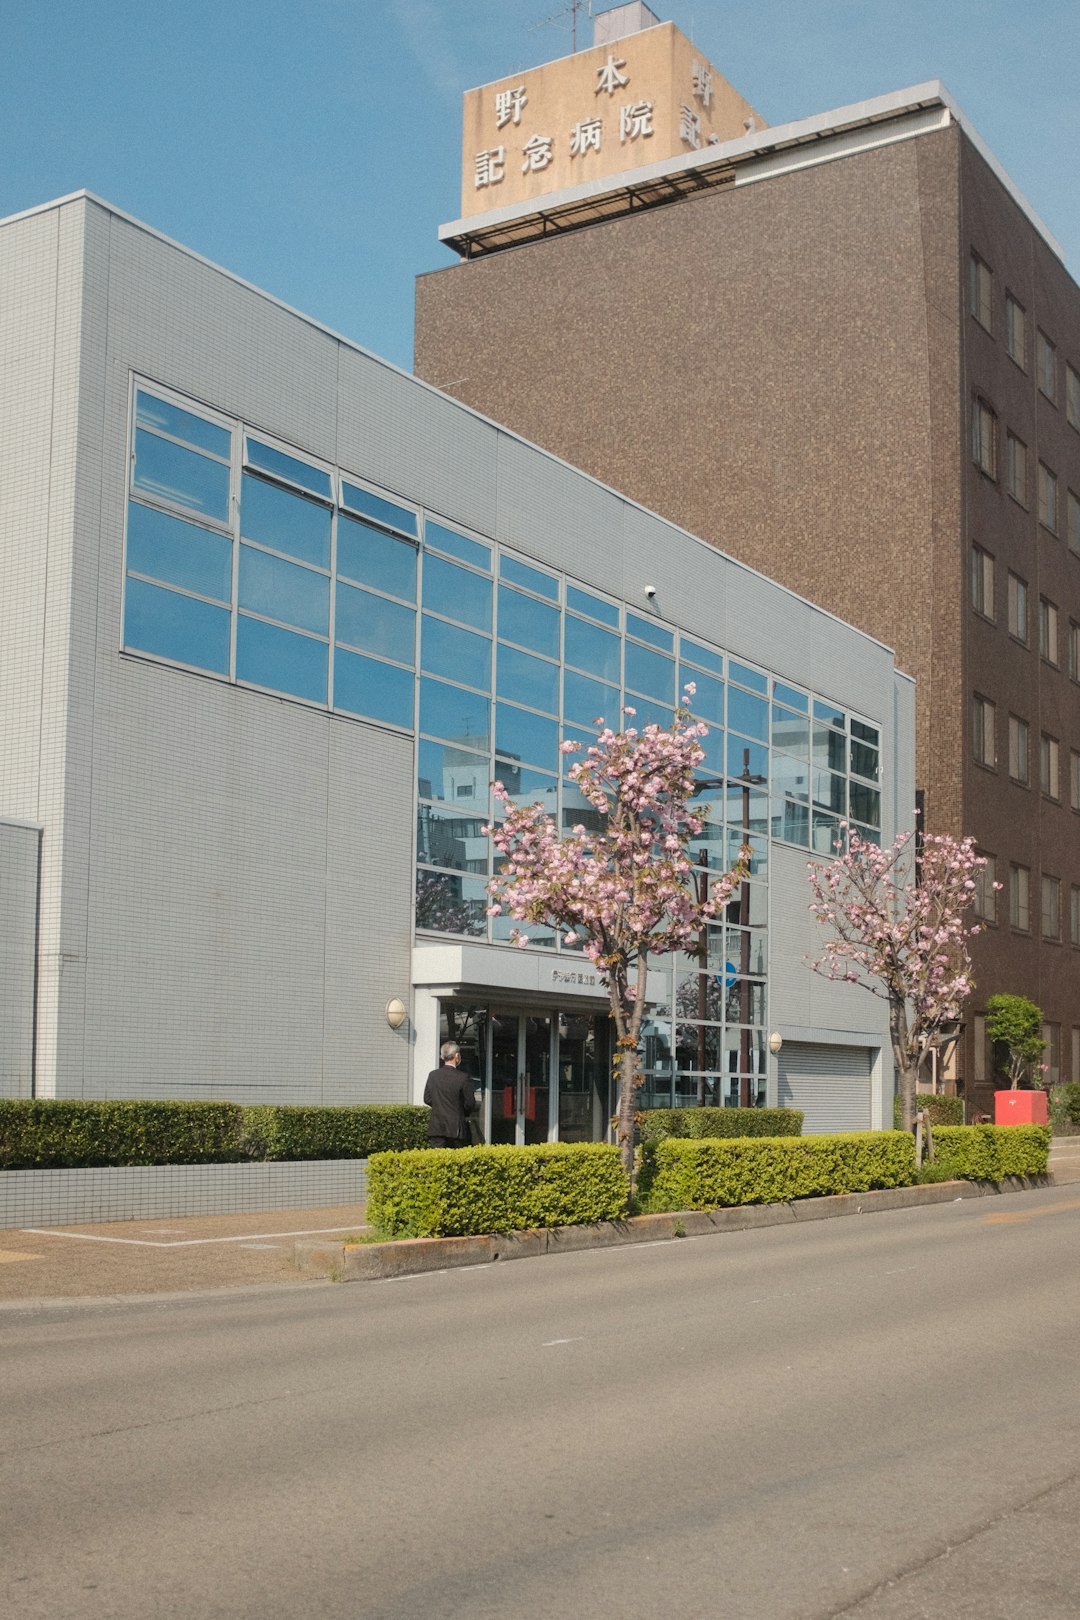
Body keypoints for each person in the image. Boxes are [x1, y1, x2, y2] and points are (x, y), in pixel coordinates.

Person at [423, 1041, 479, 1149]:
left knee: (437, 1161)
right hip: (456, 1128)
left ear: (442, 1056)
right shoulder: (463, 1077)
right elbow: (470, 1103)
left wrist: (439, 1106)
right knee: (455, 1161)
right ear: (457, 1056)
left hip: (436, 1127)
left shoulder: (433, 1075)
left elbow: (427, 1098)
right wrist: (460, 1111)